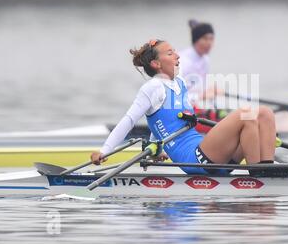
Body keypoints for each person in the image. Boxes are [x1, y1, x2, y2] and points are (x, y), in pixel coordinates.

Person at [90, 39, 278, 176]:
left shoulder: (179, 83)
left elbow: (159, 121)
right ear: (156, 64)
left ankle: (266, 168)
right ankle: (259, 178)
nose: (178, 55)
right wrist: (105, 150)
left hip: (208, 154)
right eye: (170, 53)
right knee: (246, 115)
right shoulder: (151, 88)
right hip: (195, 159)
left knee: (265, 114)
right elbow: (129, 120)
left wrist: (156, 148)